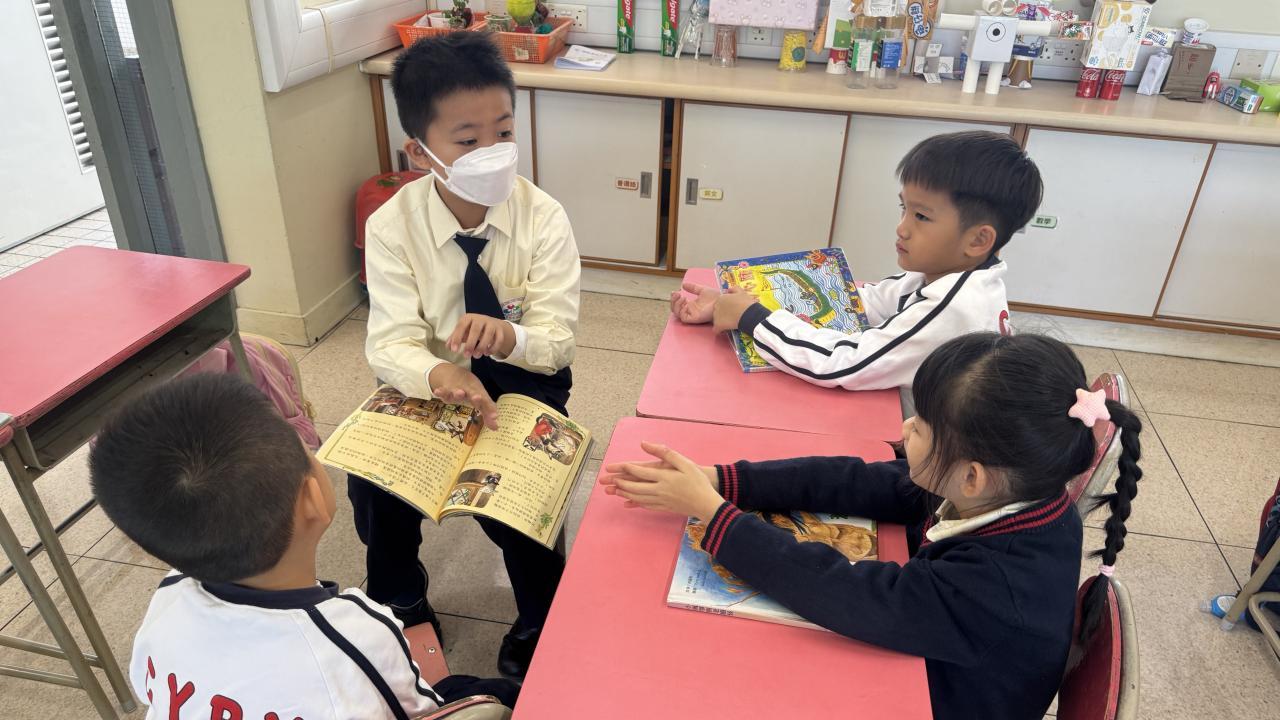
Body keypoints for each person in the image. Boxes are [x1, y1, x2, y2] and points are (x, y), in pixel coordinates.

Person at [601, 333, 1142, 720]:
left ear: (972, 476)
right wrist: (725, 480)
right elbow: (860, 481)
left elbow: (843, 591)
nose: (905, 426)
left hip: (931, 700)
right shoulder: (1020, 492)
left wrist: (716, 515)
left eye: (922, 427)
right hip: (936, 672)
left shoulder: (991, 585)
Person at [88, 374, 519, 718]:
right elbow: (419, 711)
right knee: (491, 694)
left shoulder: (168, 597)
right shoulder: (358, 633)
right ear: (313, 497)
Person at [357, 31, 580, 678]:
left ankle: (540, 618)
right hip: (429, 381)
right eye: (467, 140)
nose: (493, 152)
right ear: (420, 151)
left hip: (524, 377)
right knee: (375, 487)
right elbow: (390, 341)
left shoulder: (543, 217)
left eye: (503, 132)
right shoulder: (391, 226)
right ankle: (401, 598)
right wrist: (438, 372)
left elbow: (557, 340)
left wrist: (510, 337)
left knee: (521, 500)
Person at [671, 131, 1043, 393]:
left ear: (978, 240)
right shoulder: (949, 276)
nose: (902, 228)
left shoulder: (955, 308)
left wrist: (753, 318)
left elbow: (847, 364)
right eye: (904, 208)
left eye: (921, 217)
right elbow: (854, 304)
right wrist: (736, 302)